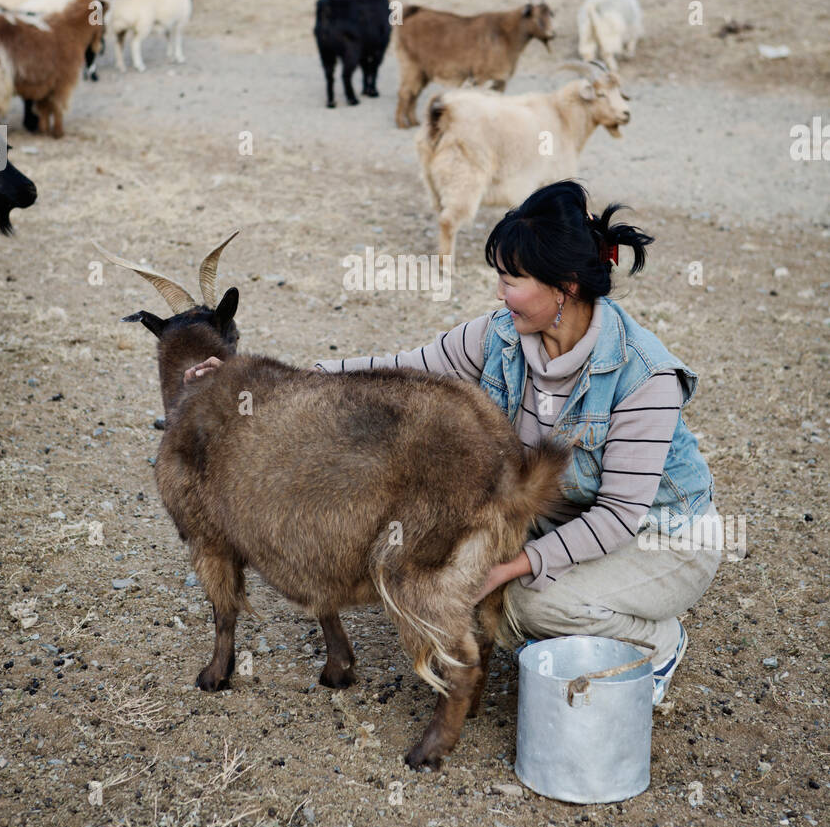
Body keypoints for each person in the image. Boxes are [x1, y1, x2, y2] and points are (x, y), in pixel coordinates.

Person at [184, 179, 722, 705]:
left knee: (524, 604)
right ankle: (593, 615)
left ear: (566, 287)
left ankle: (658, 643)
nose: (498, 291)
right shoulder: (501, 335)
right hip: (560, 515)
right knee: (458, 574)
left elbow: (619, 516)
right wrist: (264, 381)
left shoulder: (644, 375)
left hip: (662, 536)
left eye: (512, 278)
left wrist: (510, 566)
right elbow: (395, 370)